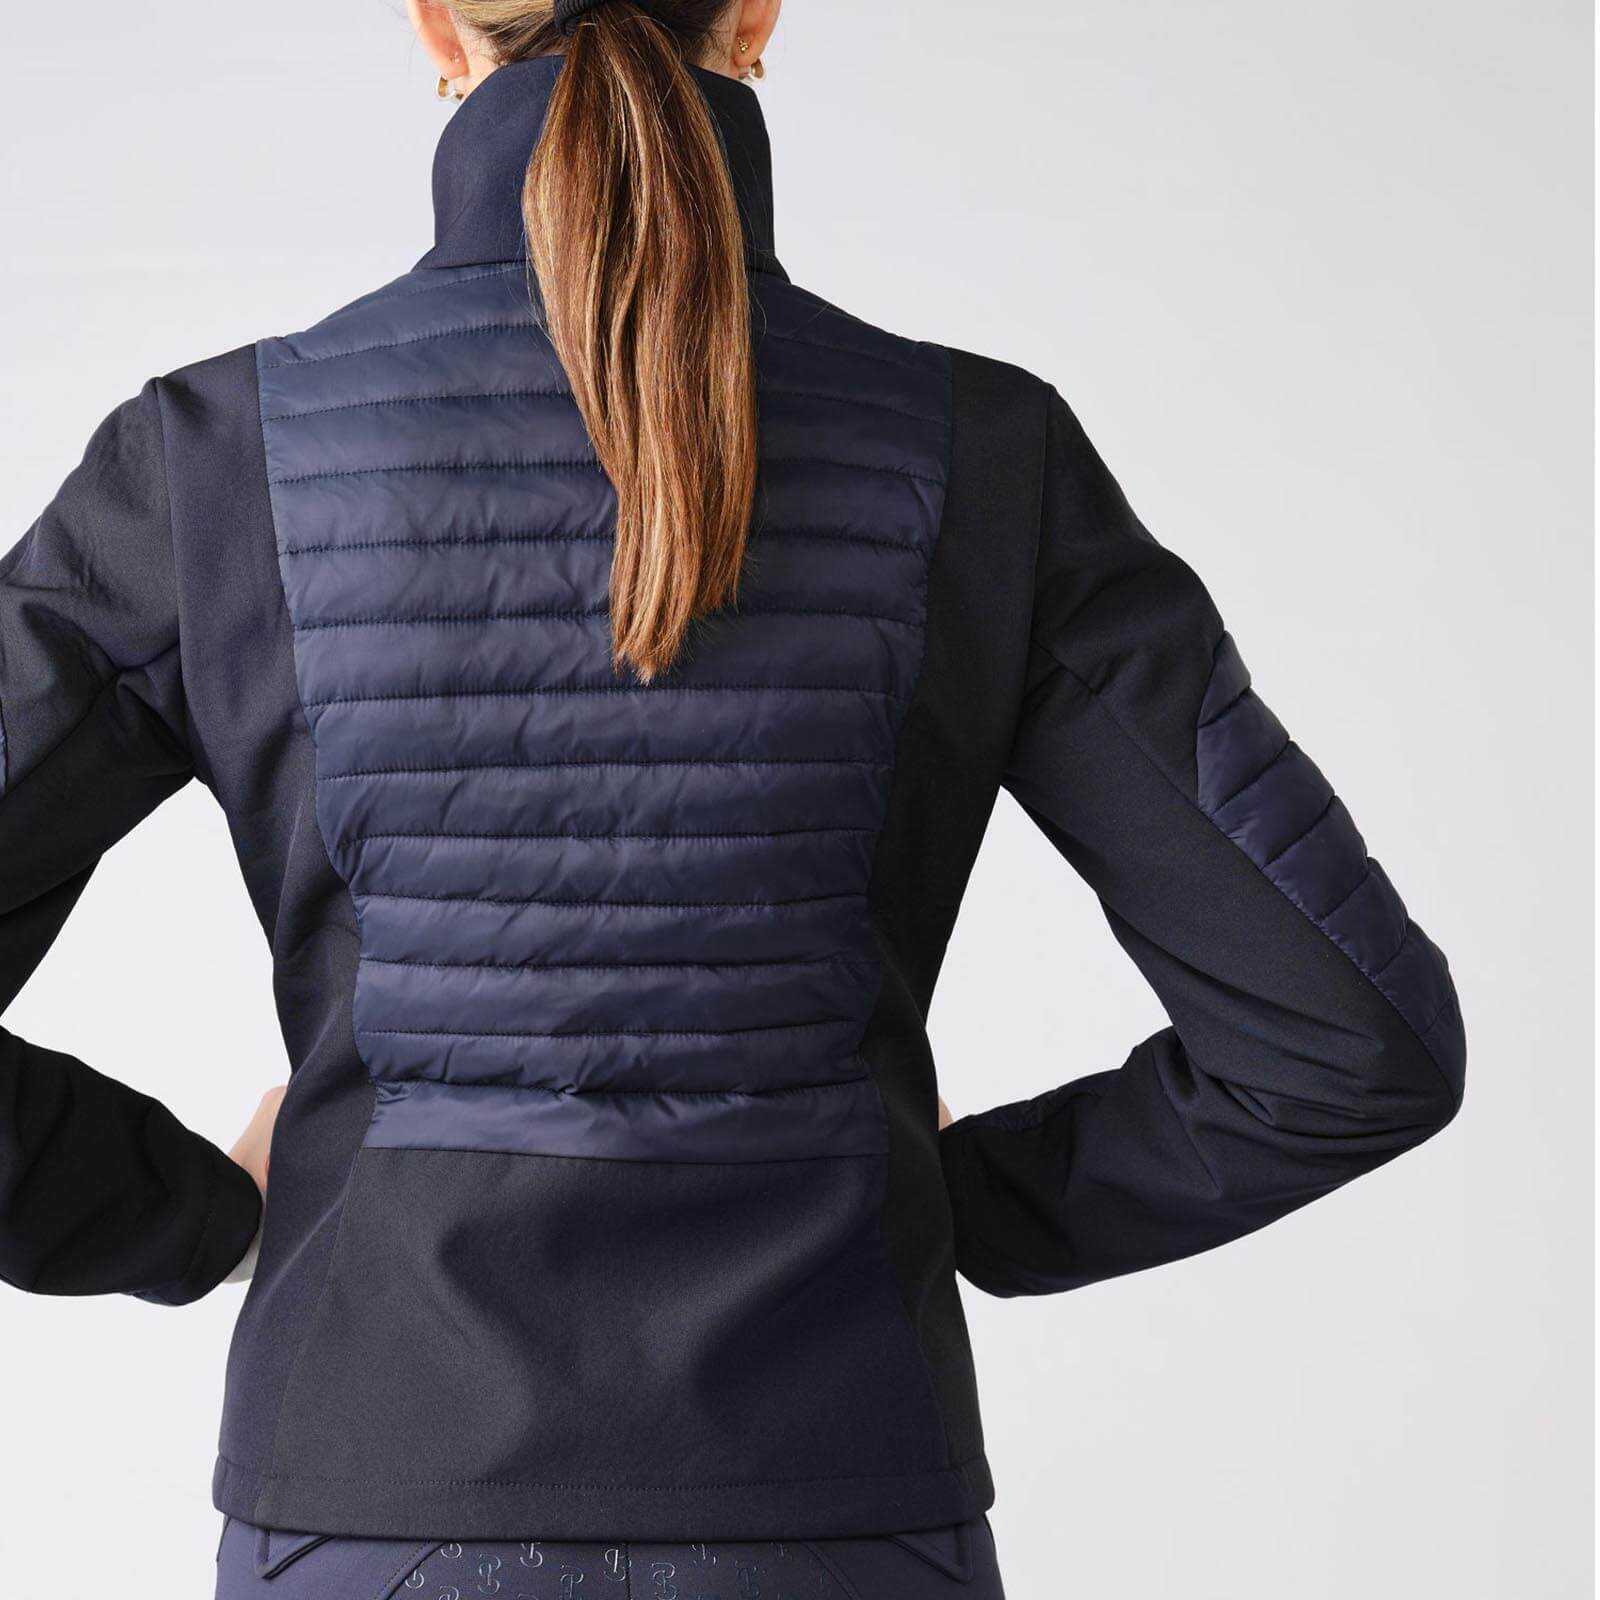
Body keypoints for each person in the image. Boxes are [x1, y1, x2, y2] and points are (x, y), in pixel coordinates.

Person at [0, 1, 1466, 1594]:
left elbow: (1352, 1052)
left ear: (436, 26)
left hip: (371, 1506)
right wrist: (945, 1203)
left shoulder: (216, 462)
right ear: (756, 14)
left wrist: (199, 1217)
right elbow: (1350, 1041)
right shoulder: (982, 458)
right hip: (842, 1505)